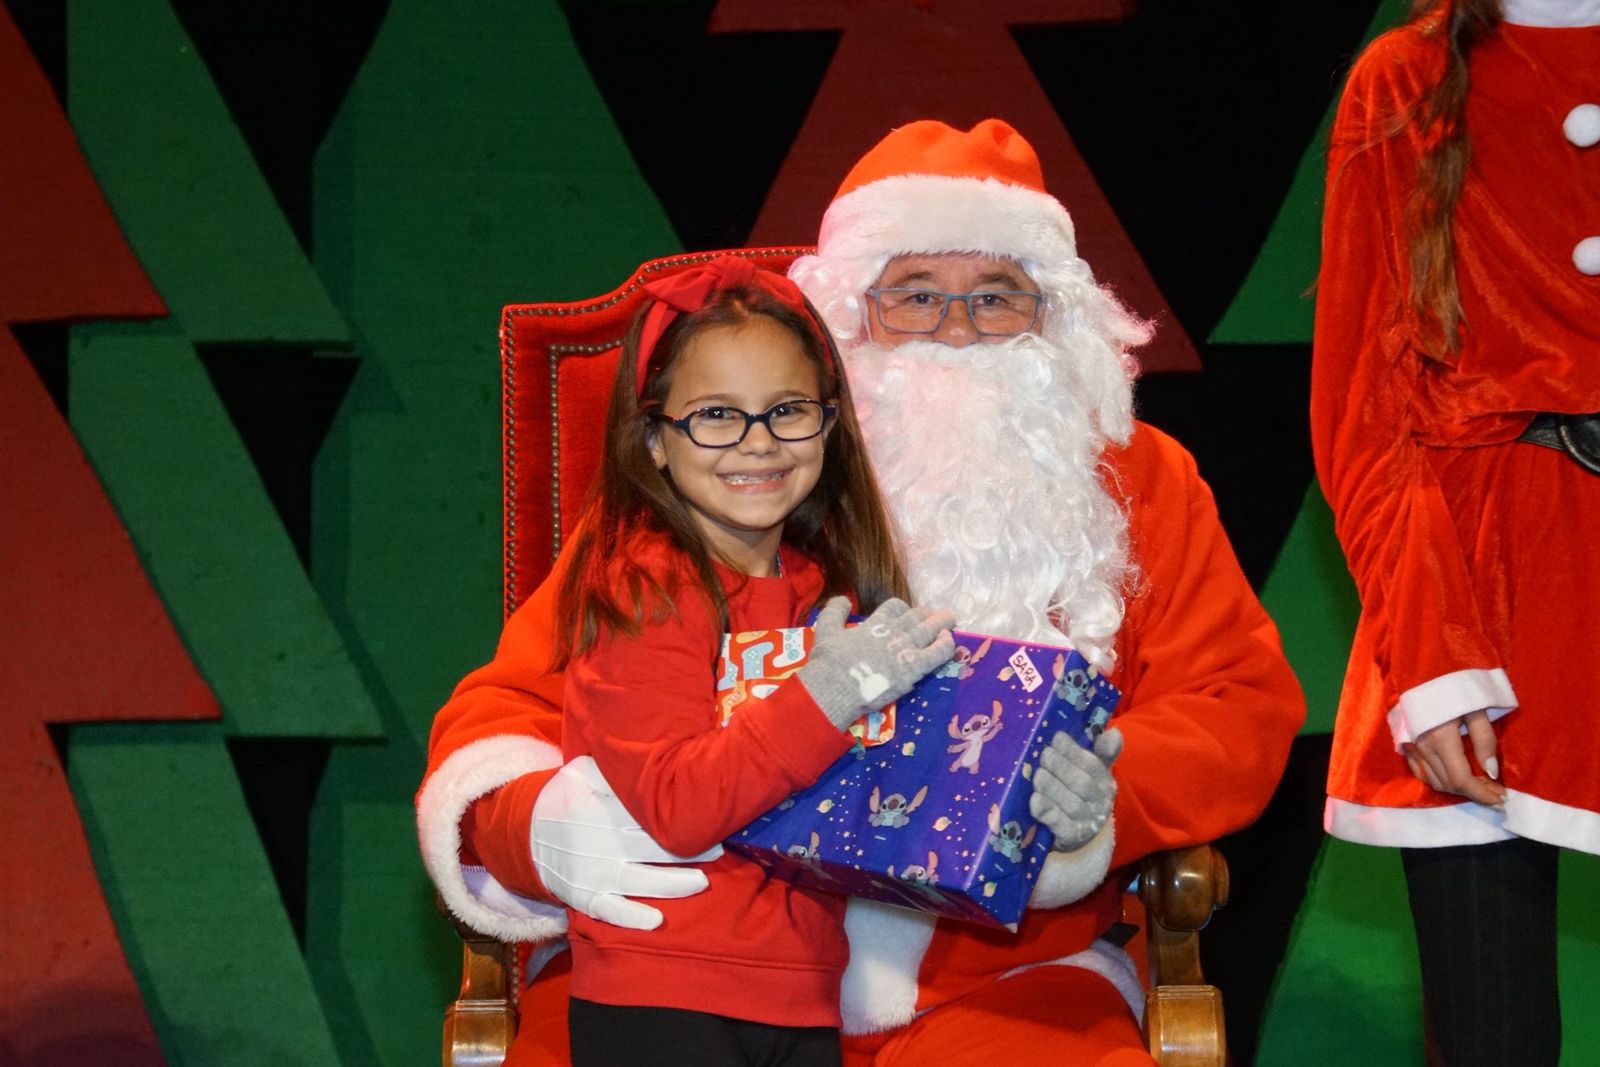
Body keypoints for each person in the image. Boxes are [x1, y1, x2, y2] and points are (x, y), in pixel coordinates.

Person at [419, 119, 1305, 1065]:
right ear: (845, 317)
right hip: (690, 957)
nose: (957, 331)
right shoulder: (728, 473)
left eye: (998, 297)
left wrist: (1083, 806)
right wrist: (533, 827)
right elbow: (511, 701)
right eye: (914, 296)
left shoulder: (1137, 480)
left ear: (1055, 316)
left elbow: (1236, 701)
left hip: (1000, 972)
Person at [528, 256, 958, 1065]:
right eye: (717, 415)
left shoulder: (824, 590)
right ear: (653, 437)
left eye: (787, 410)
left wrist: (1030, 774)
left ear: (829, 425)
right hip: (662, 992)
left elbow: (875, 804)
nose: (758, 443)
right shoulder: (644, 581)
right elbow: (679, 805)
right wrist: (831, 692)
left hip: (802, 991)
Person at [1313, 2, 1599, 1063]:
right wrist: (1429, 655)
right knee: (1491, 1040)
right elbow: (1363, 400)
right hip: (1483, 579)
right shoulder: (1406, 77)